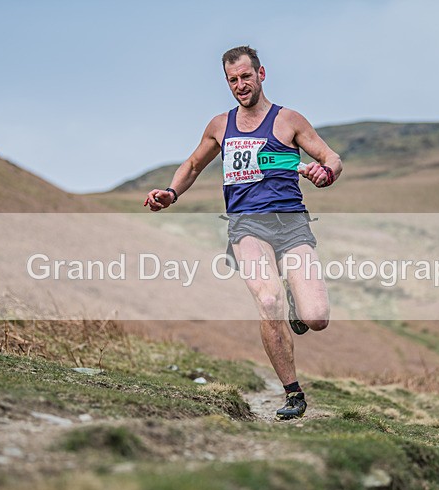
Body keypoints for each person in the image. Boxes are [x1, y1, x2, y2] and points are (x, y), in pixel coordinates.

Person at [144, 45, 342, 420]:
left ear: (261, 74)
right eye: (232, 80)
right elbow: (192, 164)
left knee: (316, 318)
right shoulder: (221, 126)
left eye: (246, 77)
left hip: (292, 224)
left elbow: (331, 158)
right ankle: (293, 393)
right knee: (268, 303)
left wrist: (325, 172)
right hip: (246, 225)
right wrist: (170, 193)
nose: (240, 85)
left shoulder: (289, 120)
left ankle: (298, 304)